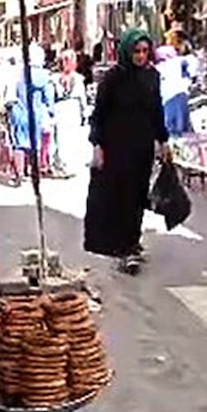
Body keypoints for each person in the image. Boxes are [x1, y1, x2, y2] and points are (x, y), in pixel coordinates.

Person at [83, 29, 168, 274]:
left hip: (141, 146)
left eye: (144, 51)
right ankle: (123, 246)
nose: (141, 56)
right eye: (136, 51)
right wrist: (97, 144)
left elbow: (156, 110)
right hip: (116, 146)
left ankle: (132, 240)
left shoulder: (152, 76)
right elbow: (98, 114)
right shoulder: (113, 78)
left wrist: (162, 140)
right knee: (120, 195)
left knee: (138, 195)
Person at [7, 46, 57, 184]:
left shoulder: (18, 73)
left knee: (19, 143)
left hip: (18, 111)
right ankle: (33, 171)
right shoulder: (44, 76)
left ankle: (20, 173)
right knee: (35, 143)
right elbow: (49, 96)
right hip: (36, 113)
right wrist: (51, 112)